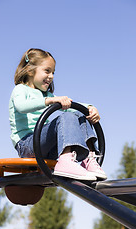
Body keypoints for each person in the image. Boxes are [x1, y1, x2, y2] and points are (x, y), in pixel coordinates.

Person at [9, 48, 107, 181]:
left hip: (46, 147)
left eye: (53, 72)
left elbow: (72, 108)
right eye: (47, 71)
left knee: (79, 115)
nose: (51, 76)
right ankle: (65, 161)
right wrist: (50, 100)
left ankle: (88, 159)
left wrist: (89, 107)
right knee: (64, 117)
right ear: (30, 70)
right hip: (27, 144)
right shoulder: (20, 89)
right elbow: (21, 107)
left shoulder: (46, 95)